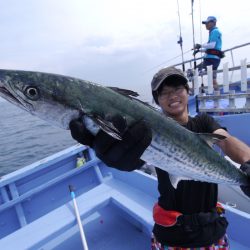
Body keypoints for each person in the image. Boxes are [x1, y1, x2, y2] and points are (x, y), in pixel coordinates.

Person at [69, 67, 250, 249]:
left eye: (177, 88)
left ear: (188, 91)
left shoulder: (203, 122)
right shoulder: (147, 128)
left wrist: (248, 162)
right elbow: (134, 153)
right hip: (170, 233)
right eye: (164, 93)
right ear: (157, 100)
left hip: (211, 231)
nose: (172, 96)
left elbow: (226, 141)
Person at [193, 16, 223, 90]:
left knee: (194, 71)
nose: (206, 25)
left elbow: (212, 45)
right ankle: (218, 93)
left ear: (214, 23)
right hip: (215, 59)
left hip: (210, 60)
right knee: (213, 79)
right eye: (205, 23)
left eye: (207, 23)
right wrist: (199, 50)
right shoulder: (213, 32)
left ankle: (194, 92)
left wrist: (200, 45)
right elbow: (211, 48)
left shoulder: (215, 31)